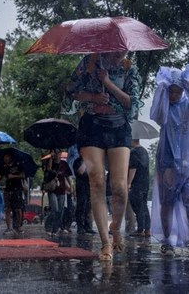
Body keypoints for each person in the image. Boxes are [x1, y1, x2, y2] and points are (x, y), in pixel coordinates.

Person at [64, 51, 142, 261]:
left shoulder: (129, 67)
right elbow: (71, 92)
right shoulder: (88, 63)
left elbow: (131, 103)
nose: (119, 56)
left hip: (119, 129)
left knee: (118, 186)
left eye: (122, 52)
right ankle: (105, 243)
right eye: (115, 52)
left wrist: (107, 82)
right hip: (92, 127)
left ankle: (115, 229)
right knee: (96, 180)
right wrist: (91, 97)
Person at [150, 64, 189, 258]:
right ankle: (168, 242)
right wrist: (161, 89)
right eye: (171, 91)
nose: (174, 95)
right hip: (167, 159)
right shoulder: (165, 107)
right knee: (167, 200)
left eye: (178, 91)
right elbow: (157, 116)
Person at [0, 152, 25, 234]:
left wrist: (14, 176)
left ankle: (18, 227)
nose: (5, 158)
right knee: (7, 209)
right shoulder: (4, 168)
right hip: (8, 190)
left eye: (7, 156)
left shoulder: (18, 165)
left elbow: (23, 175)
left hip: (17, 190)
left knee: (18, 209)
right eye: (5, 156)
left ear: (11, 157)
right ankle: (9, 228)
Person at [42, 149, 73, 236]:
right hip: (52, 189)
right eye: (54, 152)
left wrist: (71, 187)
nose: (56, 154)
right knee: (54, 209)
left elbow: (68, 176)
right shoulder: (48, 163)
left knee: (60, 211)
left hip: (62, 190)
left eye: (57, 152)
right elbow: (48, 170)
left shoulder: (64, 164)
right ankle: (48, 227)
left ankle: (55, 230)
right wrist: (51, 159)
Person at [128, 139, 151, 237]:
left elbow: (133, 168)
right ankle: (147, 229)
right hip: (145, 182)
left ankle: (140, 229)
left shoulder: (134, 152)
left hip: (136, 183)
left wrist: (128, 183)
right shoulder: (144, 151)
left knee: (137, 206)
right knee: (144, 205)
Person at [73, 156, 96, 235]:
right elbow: (80, 171)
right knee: (81, 207)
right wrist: (85, 162)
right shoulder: (77, 162)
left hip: (89, 187)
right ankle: (80, 227)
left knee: (88, 208)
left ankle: (88, 227)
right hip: (81, 187)